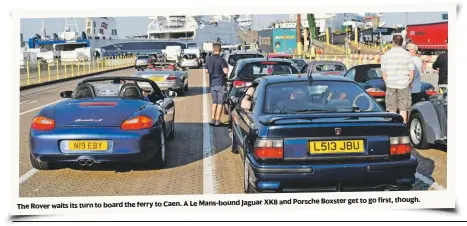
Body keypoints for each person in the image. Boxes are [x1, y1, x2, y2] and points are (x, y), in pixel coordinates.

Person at [381, 35, 415, 124]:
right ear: (402, 42)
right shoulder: (407, 54)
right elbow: (411, 71)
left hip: (391, 84)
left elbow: (383, 72)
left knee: (391, 108)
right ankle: (403, 125)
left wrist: (387, 82)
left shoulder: (386, 55)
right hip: (404, 84)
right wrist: (410, 82)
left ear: (393, 42)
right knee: (403, 108)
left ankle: (393, 126)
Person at [206, 42, 229, 127]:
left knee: (214, 102)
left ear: (213, 49)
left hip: (213, 84)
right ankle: (217, 121)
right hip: (221, 83)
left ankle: (212, 120)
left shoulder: (209, 59)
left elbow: (207, 71)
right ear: (220, 49)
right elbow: (226, 71)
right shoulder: (222, 60)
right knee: (220, 103)